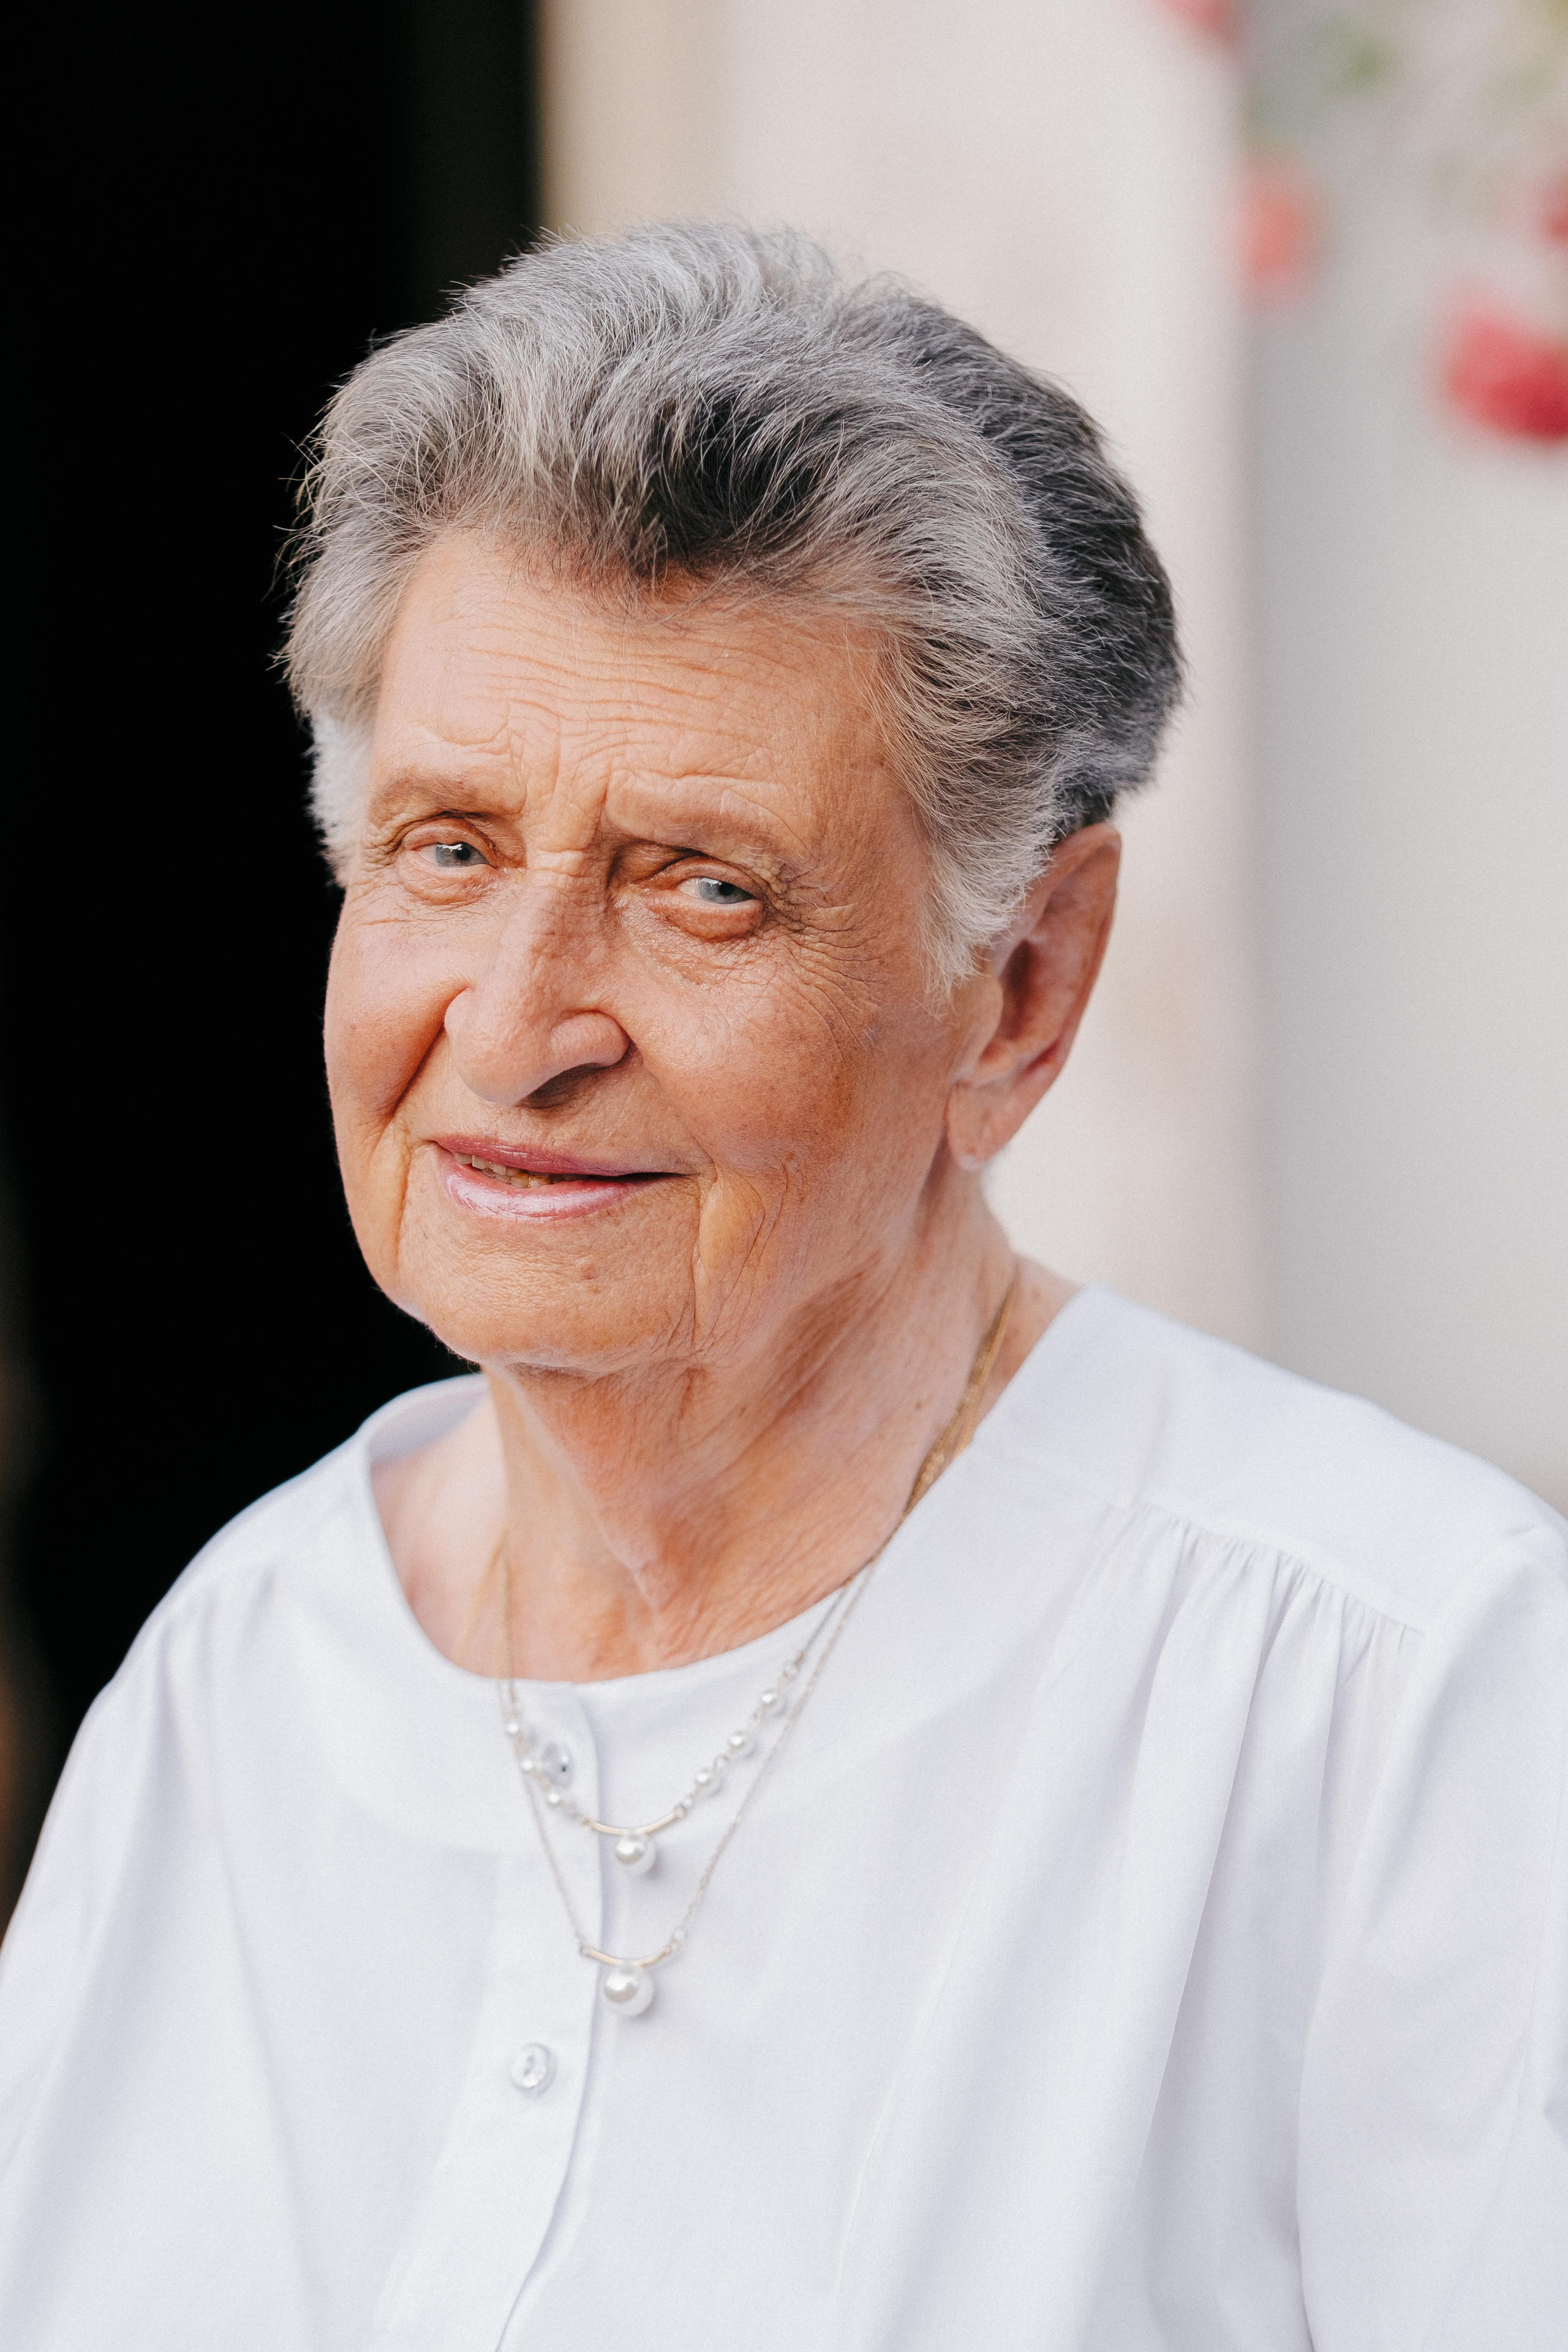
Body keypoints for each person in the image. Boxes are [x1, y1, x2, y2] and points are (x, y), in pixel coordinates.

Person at [0, 224, 1562, 2352]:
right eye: (447, 847)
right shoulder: (242, 1678)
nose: (521, 1022)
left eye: (701, 889)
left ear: (1020, 987)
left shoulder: (1397, 1692)